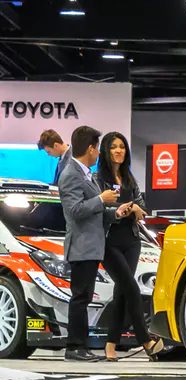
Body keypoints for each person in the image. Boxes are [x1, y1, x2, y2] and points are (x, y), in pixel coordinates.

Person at [58, 126, 139, 362]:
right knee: (80, 297)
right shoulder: (71, 174)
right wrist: (100, 199)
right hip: (82, 245)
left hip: (93, 245)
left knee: (83, 296)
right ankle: (75, 347)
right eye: (98, 148)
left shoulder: (84, 173)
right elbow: (74, 211)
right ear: (92, 149)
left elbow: (95, 212)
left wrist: (116, 212)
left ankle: (80, 346)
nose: (99, 153)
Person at [95, 131, 162, 361]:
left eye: (122, 146)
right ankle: (145, 340)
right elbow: (99, 212)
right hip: (108, 242)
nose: (118, 150)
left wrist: (131, 208)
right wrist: (120, 211)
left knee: (122, 292)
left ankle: (110, 345)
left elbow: (141, 208)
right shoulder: (97, 179)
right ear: (106, 150)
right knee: (131, 288)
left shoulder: (130, 179)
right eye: (114, 147)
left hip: (132, 241)